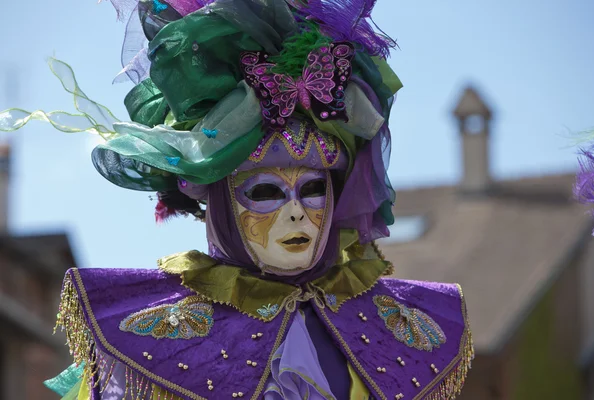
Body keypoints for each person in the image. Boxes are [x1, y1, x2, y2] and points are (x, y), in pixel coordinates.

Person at [1, 0, 474, 398]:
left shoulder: (401, 330)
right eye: (265, 191)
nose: (297, 211)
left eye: (313, 189)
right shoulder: (144, 342)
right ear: (223, 206)